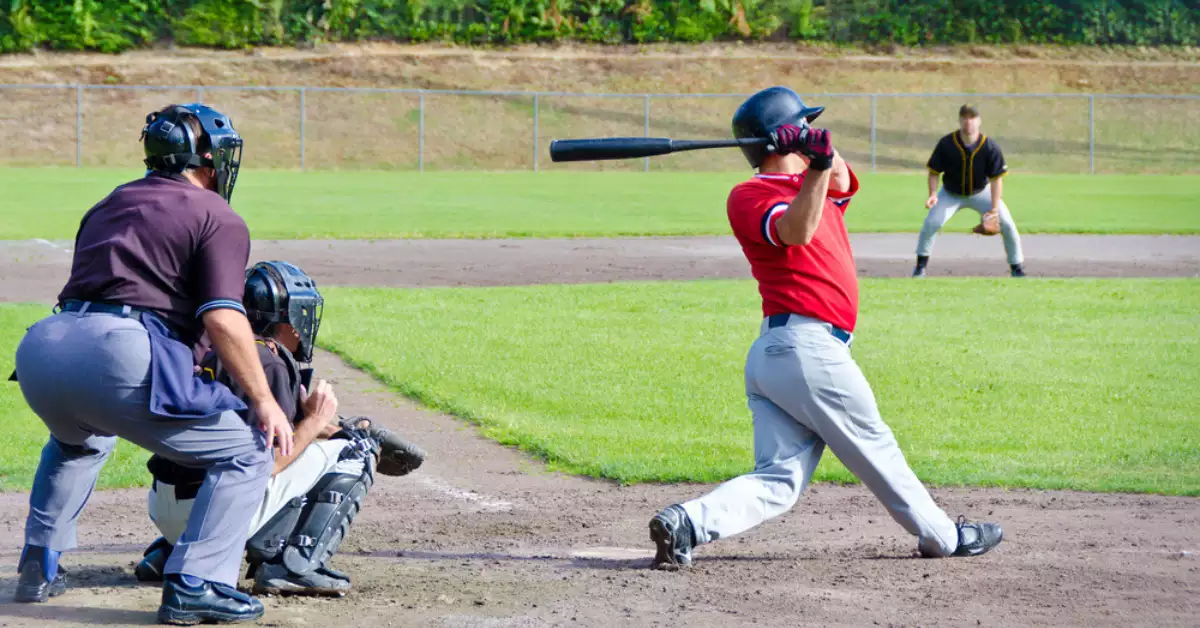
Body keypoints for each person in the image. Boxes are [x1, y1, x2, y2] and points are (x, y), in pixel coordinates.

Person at [647, 86, 1005, 570]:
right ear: (782, 142)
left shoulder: (818, 185)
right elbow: (796, 230)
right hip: (804, 349)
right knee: (874, 442)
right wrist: (809, 161)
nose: (816, 135)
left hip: (787, 357)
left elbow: (837, 176)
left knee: (778, 481)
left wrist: (813, 149)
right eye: (805, 126)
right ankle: (945, 537)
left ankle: (686, 522)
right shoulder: (750, 195)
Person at [12, 104, 292, 624]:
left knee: (78, 440)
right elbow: (223, 318)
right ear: (205, 159)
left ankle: (38, 563)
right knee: (247, 453)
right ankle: (196, 583)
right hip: (117, 349)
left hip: (44, 346)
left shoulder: (108, 203)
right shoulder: (217, 214)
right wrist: (264, 401)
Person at [133, 261, 427, 597]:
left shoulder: (216, 348)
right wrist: (319, 425)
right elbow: (265, 464)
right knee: (354, 453)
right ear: (280, 319)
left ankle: (173, 552)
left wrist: (333, 428)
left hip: (169, 507)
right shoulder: (268, 363)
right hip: (211, 515)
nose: (303, 327)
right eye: (300, 314)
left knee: (241, 455)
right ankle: (293, 567)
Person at [914, 104, 1026, 278]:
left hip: (981, 192)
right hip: (950, 194)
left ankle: (1017, 268)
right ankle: (920, 267)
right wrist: (933, 194)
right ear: (959, 120)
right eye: (965, 117)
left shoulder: (989, 147)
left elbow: (997, 180)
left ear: (979, 121)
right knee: (932, 223)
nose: (968, 121)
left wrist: (994, 209)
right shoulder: (947, 144)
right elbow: (934, 172)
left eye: (972, 117)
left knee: (1008, 225)